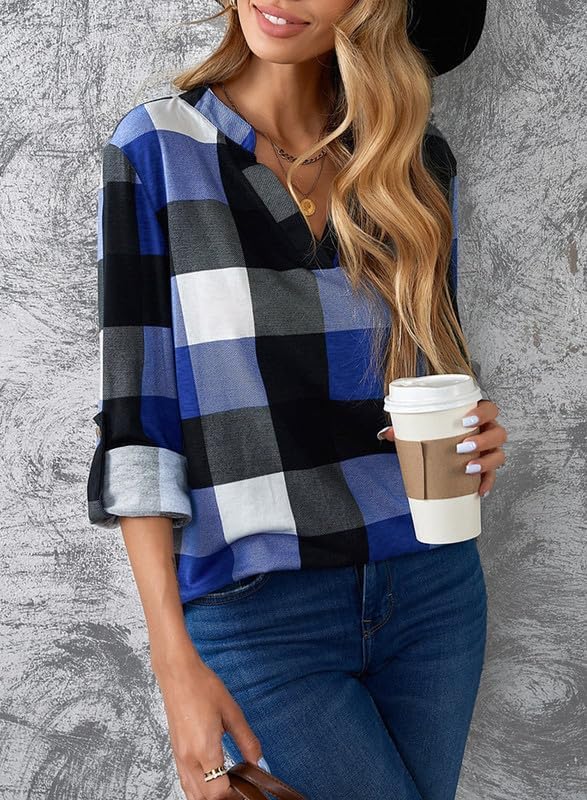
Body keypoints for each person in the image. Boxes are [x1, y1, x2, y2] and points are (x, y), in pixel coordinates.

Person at [86, 1, 508, 798]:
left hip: (431, 588)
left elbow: (432, 374)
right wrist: (173, 664)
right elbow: (138, 428)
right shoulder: (156, 149)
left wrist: (476, 432)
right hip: (257, 610)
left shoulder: (413, 158)